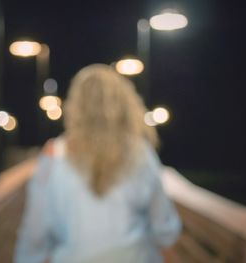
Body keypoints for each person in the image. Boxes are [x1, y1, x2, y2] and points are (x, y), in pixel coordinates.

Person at [14, 64, 181, 263]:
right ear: (124, 104)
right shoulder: (140, 152)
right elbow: (164, 229)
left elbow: (35, 231)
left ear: (75, 105)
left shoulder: (54, 154)